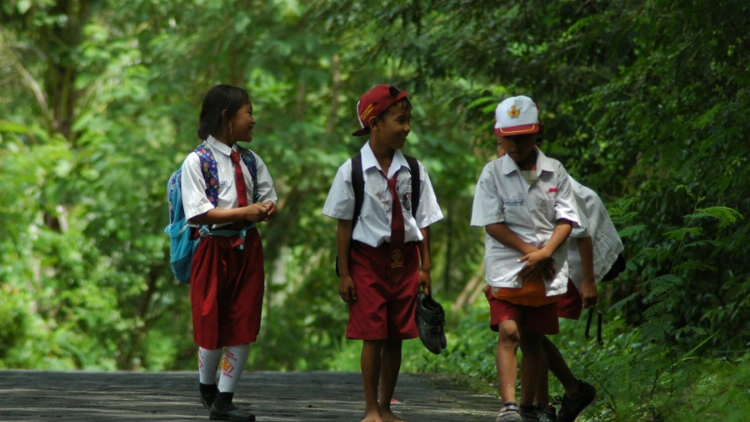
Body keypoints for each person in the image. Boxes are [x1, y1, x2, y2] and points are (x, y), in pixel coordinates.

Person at [322, 84, 443, 422]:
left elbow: (424, 220)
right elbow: (343, 225)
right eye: (399, 120)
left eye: (409, 120)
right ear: (374, 124)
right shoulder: (351, 171)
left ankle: (387, 407)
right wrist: (345, 273)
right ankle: (370, 408)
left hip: (405, 261)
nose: (407, 128)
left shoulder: (414, 170)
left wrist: (426, 266)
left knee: (396, 335)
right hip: (367, 261)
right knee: (373, 334)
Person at [471, 96, 580, 422]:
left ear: (539, 133)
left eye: (523, 136)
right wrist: (531, 253)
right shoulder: (491, 173)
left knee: (534, 337)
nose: (515, 144)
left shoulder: (555, 171)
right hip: (508, 267)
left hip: (546, 270)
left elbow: (567, 219)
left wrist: (545, 253)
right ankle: (508, 406)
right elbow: (492, 223)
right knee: (509, 332)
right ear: (497, 136)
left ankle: (530, 407)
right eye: (508, 137)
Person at [181, 84, 278, 422]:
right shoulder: (197, 161)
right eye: (247, 112)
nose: (253, 120)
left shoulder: (251, 160)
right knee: (211, 317)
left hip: (247, 247)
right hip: (213, 248)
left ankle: (225, 398)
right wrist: (245, 212)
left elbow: (268, 197)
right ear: (227, 117)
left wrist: (266, 209)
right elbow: (198, 213)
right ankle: (207, 387)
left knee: (244, 316)